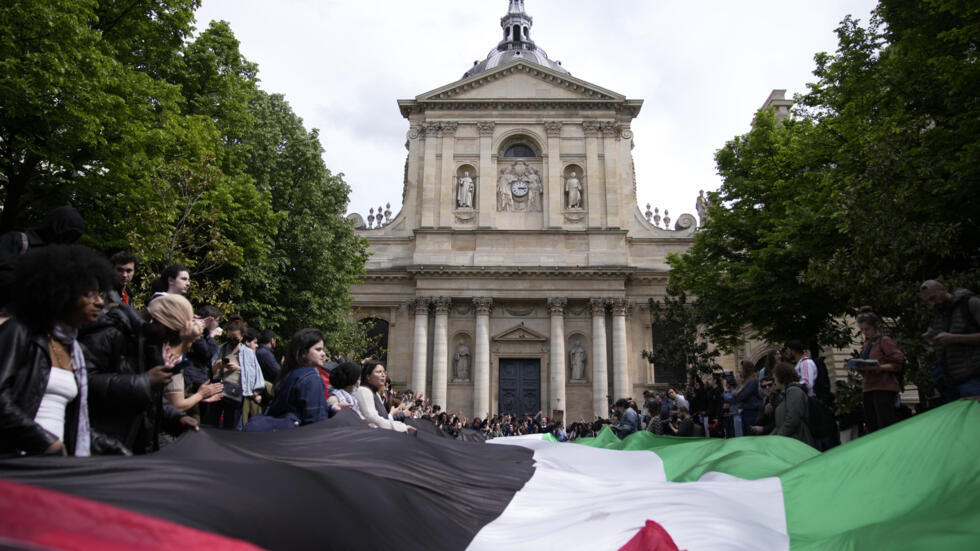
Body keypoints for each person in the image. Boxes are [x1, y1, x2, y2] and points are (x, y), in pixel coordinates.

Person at [0, 245, 113, 456]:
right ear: (61, 293)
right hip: (15, 463)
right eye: (90, 295)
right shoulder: (21, 332)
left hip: (53, 467)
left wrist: (112, 448)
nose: (100, 302)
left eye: (100, 294)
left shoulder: (74, 349)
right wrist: (43, 441)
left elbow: (72, 422)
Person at [919, 280, 980, 398]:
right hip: (952, 380)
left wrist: (955, 338)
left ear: (943, 289)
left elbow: (954, 338)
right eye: (928, 302)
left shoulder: (970, 304)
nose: (932, 304)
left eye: (933, 298)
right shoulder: (939, 315)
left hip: (974, 376)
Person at [263, 328, 330, 426]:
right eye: (318, 349)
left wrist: (330, 408)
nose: (323, 354)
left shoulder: (291, 373)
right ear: (303, 353)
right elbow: (317, 421)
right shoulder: (311, 378)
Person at [854, 307, 904, 432]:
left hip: (883, 387)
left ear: (875, 326)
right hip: (868, 387)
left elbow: (898, 363)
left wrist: (880, 367)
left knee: (885, 423)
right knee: (872, 424)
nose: (865, 332)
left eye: (867, 329)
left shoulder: (884, 341)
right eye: (862, 330)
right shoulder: (866, 345)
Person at [353, 360, 413, 432]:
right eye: (379, 372)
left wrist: (400, 425)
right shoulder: (363, 391)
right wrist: (402, 427)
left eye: (384, 372)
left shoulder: (374, 393)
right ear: (368, 376)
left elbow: (384, 419)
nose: (383, 375)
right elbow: (373, 419)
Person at [770, 362, 815, 447]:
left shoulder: (793, 391)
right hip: (789, 441)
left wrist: (778, 438)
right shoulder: (786, 394)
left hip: (797, 442)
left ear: (782, 377)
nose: (774, 382)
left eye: (775, 378)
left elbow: (792, 419)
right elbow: (780, 424)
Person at [733, 360, 762, 435]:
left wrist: (736, 395)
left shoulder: (752, 381)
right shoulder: (745, 382)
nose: (740, 371)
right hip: (746, 412)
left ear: (746, 370)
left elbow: (742, 396)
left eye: (742, 369)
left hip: (751, 412)